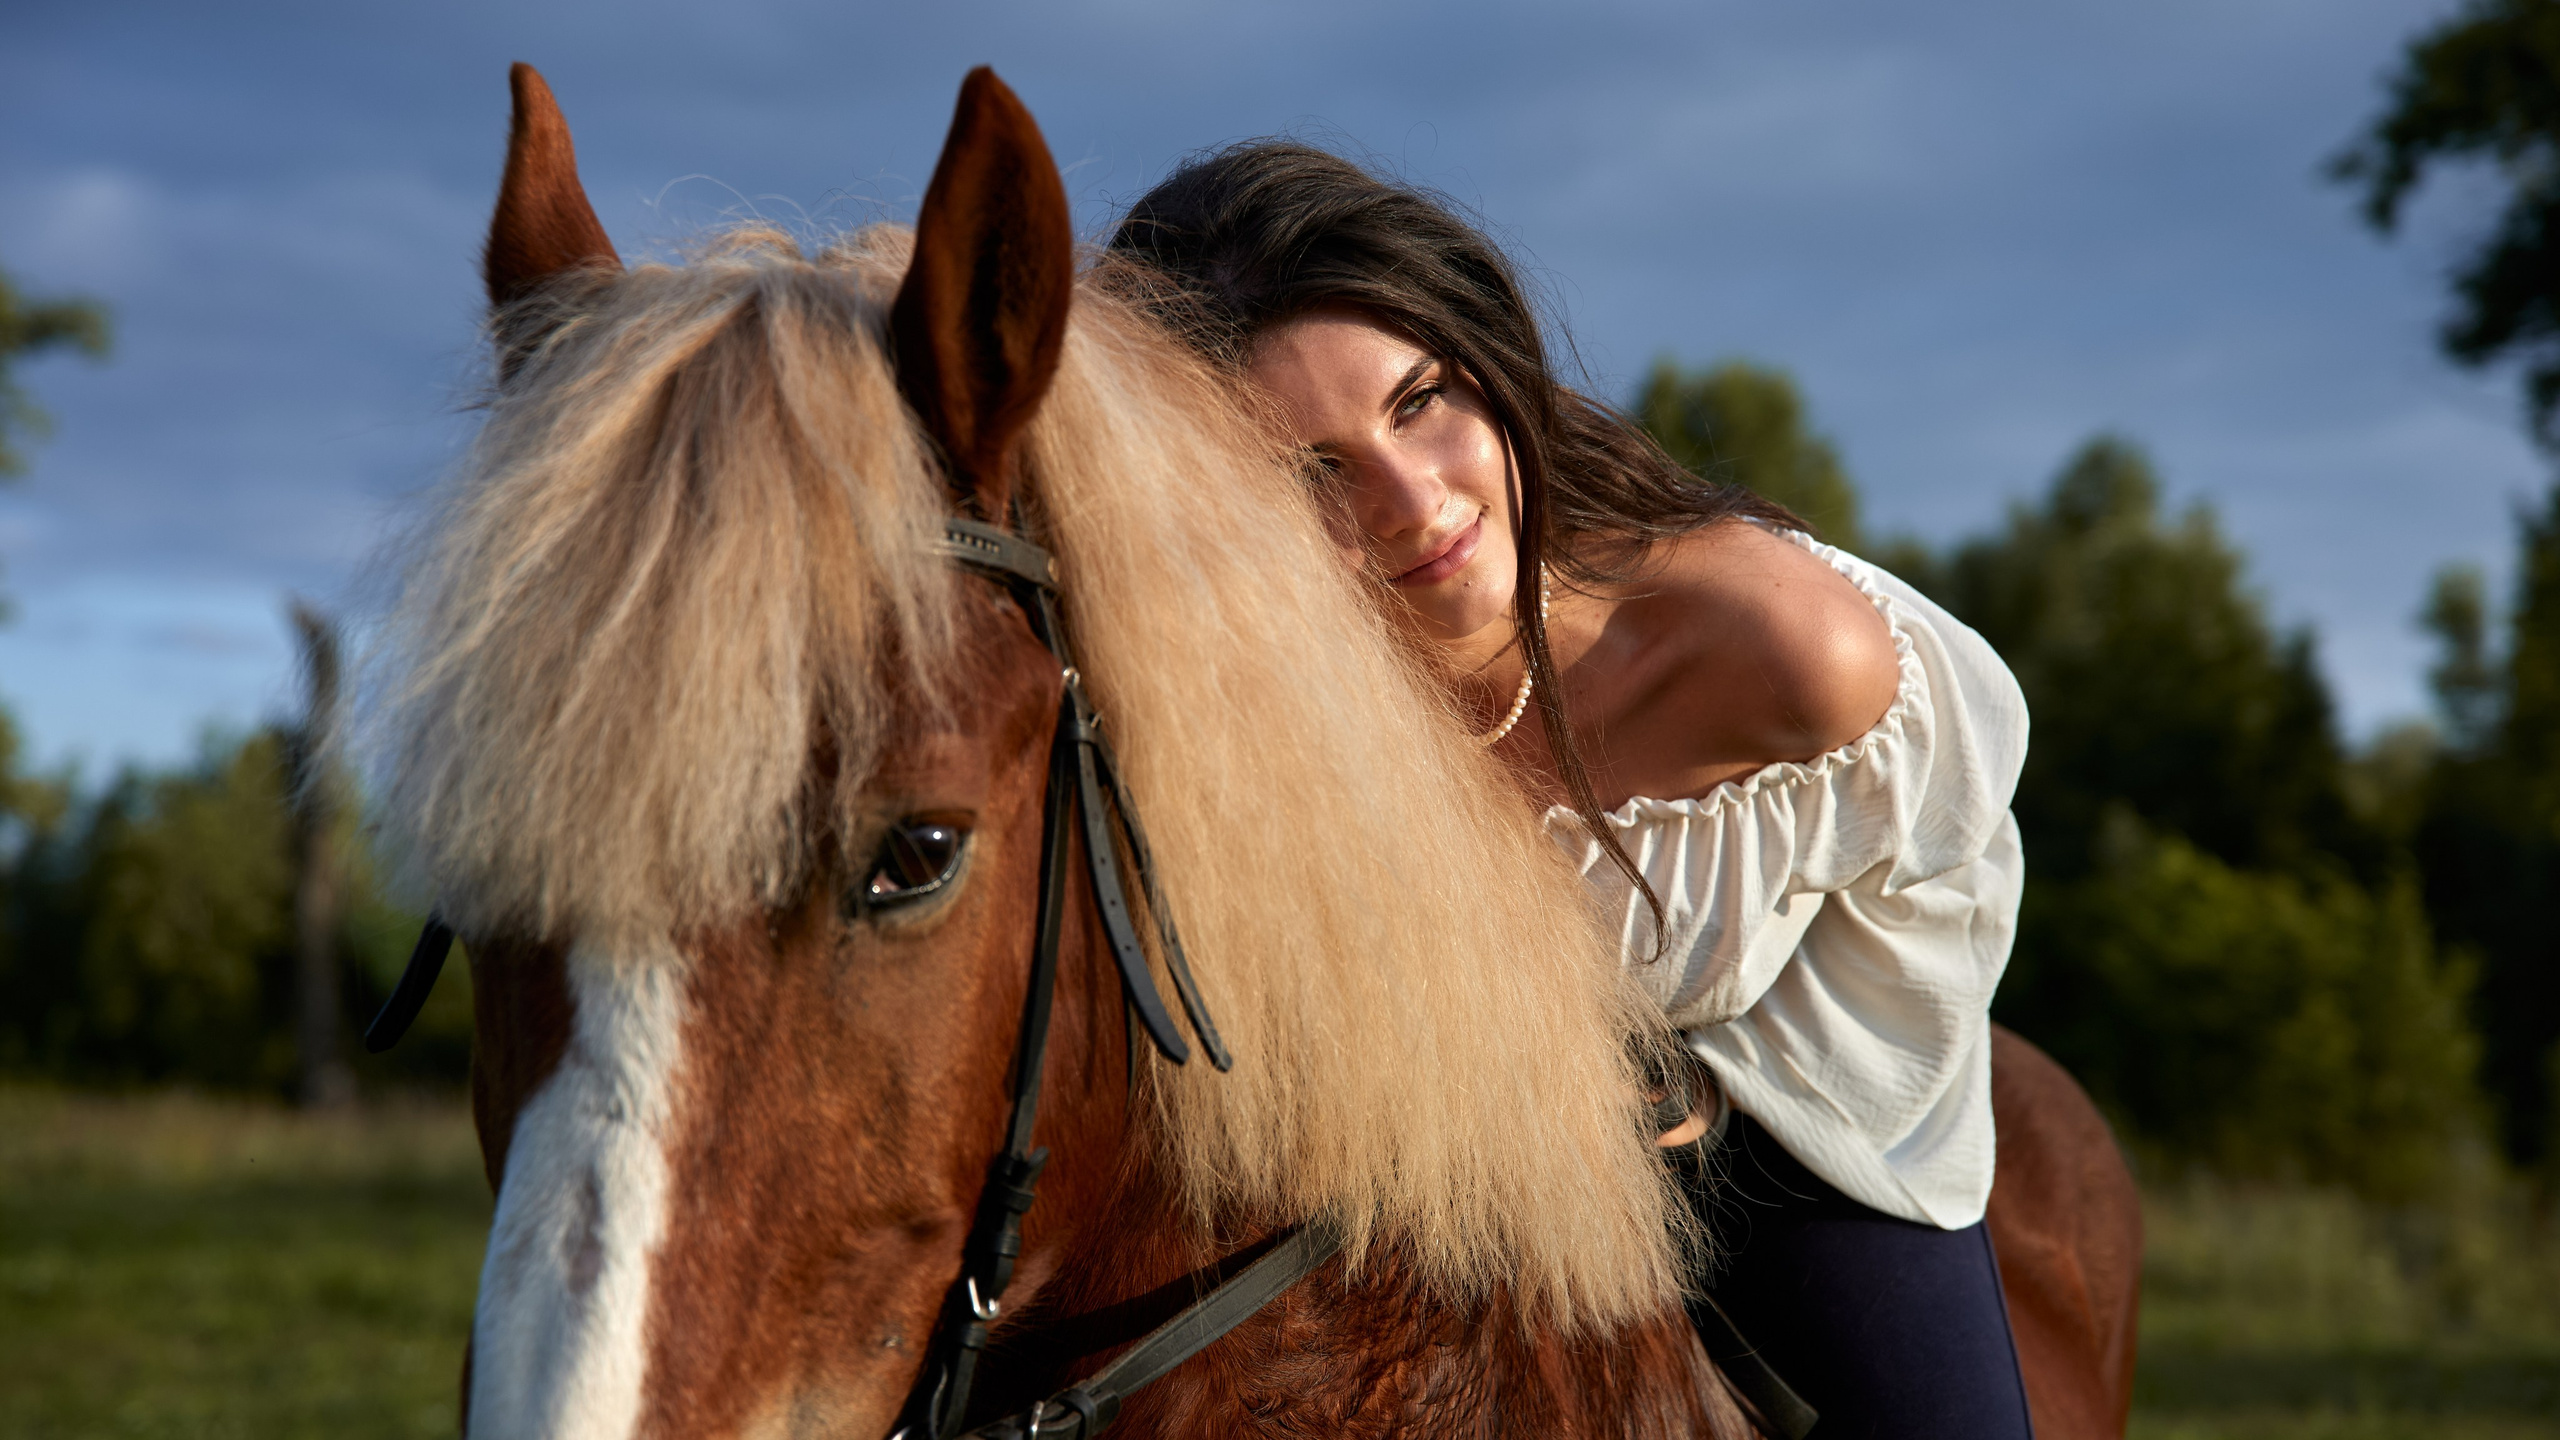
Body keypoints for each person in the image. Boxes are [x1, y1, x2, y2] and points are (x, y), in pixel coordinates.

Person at [1111, 145, 2034, 1440]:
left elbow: (1935, 892)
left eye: (1421, 399)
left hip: (1780, 1093)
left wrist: (1691, 1081)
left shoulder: (1787, 657)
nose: (1410, 502)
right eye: (1311, 472)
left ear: (1489, 359)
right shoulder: (1237, 704)